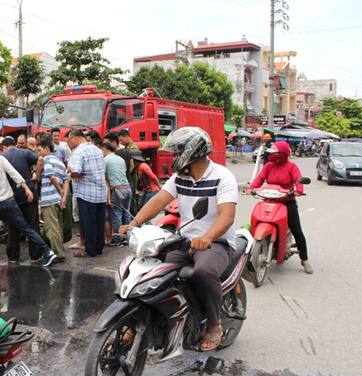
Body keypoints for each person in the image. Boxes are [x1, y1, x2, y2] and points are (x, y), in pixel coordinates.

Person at [120, 127, 238, 351]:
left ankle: (214, 323)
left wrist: (207, 237)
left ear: (191, 151)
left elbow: (227, 216)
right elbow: (158, 202)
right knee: (155, 271)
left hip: (215, 242)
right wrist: (134, 223)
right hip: (185, 241)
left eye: (176, 153)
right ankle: (141, 321)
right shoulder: (179, 177)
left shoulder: (222, 177)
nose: (173, 158)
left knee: (204, 272)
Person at [0, 142, 57, 267]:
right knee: (26, 228)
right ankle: (47, 252)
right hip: (10, 201)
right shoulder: (0, 159)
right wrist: (26, 188)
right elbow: (14, 174)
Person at [246, 140, 312, 274]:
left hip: (287, 202)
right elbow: (260, 179)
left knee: (297, 230)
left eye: (275, 154)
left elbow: (297, 180)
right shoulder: (269, 166)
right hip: (269, 201)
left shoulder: (292, 166)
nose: (271, 156)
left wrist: (298, 190)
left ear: (282, 154)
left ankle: (304, 259)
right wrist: (251, 188)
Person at [67, 129, 107, 258]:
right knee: (99, 222)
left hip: (86, 193)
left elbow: (77, 170)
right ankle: (99, 248)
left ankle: (90, 251)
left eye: (68, 140)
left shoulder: (78, 152)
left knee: (87, 222)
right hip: (100, 192)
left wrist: (71, 175)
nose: (68, 143)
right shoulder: (96, 149)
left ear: (73, 138)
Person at [38, 140, 69, 262]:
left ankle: (57, 254)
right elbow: (66, 180)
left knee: (51, 227)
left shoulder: (47, 160)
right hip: (58, 199)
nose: (39, 153)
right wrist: (64, 197)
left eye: (40, 150)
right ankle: (60, 250)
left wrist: (59, 190)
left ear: (47, 148)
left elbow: (51, 176)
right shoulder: (60, 162)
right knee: (58, 226)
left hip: (49, 198)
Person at [101, 143, 132, 246]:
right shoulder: (120, 159)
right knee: (126, 213)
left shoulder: (105, 160)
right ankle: (128, 236)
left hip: (117, 189)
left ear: (104, 150)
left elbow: (106, 181)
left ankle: (119, 238)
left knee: (116, 215)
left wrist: (108, 198)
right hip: (127, 188)